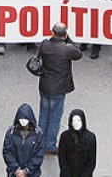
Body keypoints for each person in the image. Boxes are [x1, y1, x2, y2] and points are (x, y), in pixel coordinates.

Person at [36, 23, 82, 155]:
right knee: (55, 117)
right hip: (58, 88)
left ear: (52, 32)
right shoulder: (67, 49)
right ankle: (50, 145)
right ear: (64, 34)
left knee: (43, 115)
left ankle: (39, 142)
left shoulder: (45, 44)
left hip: (45, 85)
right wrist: (69, 39)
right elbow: (78, 54)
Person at [1, 104, 44, 177]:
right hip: (14, 173)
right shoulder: (11, 133)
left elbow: (39, 154)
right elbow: (7, 152)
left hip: (32, 174)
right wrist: (16, 169)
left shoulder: (38, 134)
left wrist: (27, 170)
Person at [57, 109, 96, 177]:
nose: (76, 123)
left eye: (78, 120)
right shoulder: (65, 136)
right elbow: (62, 158)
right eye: (73, 121)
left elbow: (91, 161)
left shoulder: (90, 137)